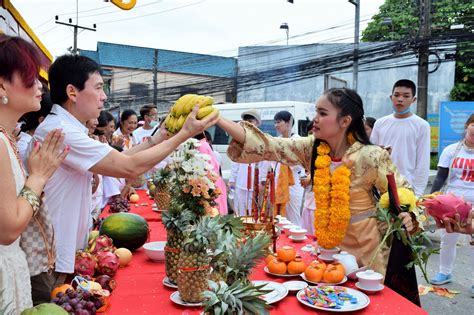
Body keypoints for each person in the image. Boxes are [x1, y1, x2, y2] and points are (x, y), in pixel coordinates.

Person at [29, 54, 219, 302]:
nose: (104, 96)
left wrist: (156, 139)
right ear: (72, 92)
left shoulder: (68, 127)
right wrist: (184, 134)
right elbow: (128, 167)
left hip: (61, 254)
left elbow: (117, 159)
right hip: (51, 259)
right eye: (98, 88)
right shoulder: (61, 131)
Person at [217, 88, 415, 276]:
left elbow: (403, 193)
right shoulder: (312, 148)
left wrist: (409, 215)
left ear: (345, 120)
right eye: (316, 112)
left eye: (322, 113)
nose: (315, 119)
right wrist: (217, 118)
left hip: (366, 248)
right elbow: (270, 145)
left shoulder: (371, 156)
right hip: (327, 248)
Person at [0, 34, 68, 314]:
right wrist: (38, 177)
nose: (40, 85)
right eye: (30, 78)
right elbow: (8, 228)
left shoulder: (7, 139)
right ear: (2, 85)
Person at [429, 114, 474, 295]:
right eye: (473, 124)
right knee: (448, 238)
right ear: (467, 125)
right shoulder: (451, 150)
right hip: (452, 204)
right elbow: (440, 176)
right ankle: (444, 272)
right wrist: (432, 197)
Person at [370, 79, 431, 197]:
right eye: (396, 95)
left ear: (414, 99)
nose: (400, 99)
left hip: (407, 188)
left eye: (406, 96)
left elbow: (423, 162)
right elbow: (371, 156)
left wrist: (417, 194)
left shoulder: (422, 125)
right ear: (391, 97)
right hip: (381, 187)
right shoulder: (380, 123)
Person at [260, 110, 305, 226]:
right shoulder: (276, 141)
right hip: (277, 184)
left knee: (294, 217)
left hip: (294, 184)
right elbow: (268, 163)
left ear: (288, 123)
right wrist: (264, 181)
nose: (276, 125)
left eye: (279, 122)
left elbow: (299, 162)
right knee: (279, 218)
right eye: (275, 122)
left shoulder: (298, 140)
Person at [228, 109, 264, 216]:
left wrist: (262, 180)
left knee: (253, 213)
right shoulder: (239, 140)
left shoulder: (262, 139)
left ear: (257, 123)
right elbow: (235, 162)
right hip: (241, 182)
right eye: (246, 121)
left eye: (251, 121)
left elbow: (264, 163)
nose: (248, 123)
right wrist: (232, 180)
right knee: (239, 212)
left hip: (255, 184)